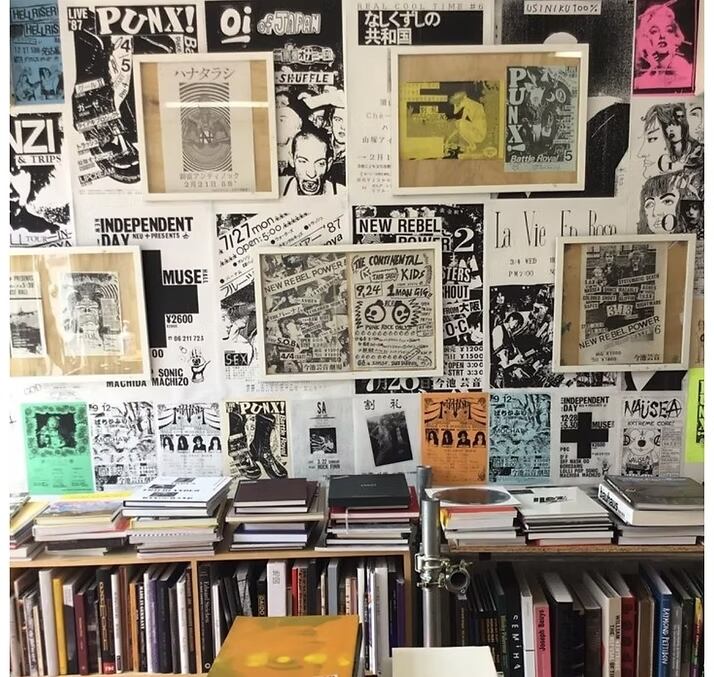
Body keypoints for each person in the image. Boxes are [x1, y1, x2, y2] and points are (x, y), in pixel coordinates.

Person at [634, 2, 693, 91]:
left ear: (675, 36)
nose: (662, 36)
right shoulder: (641, 82)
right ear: (645, 38)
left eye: (669, 30)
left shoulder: (685, 71)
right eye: (654, 31)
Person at [282, 127, 345, 196]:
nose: (311, 174)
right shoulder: (280, 188)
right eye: (303, 161)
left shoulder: (342, 194)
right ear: (291, 160)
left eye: (320, 163)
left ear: (329, 164)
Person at [444, 90, 487, 155]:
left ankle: (472, 145)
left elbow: (459, 120)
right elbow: (459, 127)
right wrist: (448, 140)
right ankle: (471, 145)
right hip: (477, 132)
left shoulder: (470, 104)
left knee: (461, 123)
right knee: (459, 123)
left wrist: (449, 140)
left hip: (479, 135)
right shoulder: (468, 105)